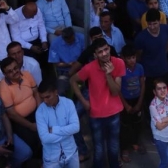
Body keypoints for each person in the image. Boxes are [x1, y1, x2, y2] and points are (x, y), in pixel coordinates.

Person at [70, 40, 124, 168]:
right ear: (95, 55)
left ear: (109, 48)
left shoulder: (118, 63)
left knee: (113, 147)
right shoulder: (89, 67)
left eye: (106, 49)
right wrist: (84, 101)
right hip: (96, 115)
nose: (104, 54)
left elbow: (115, 92)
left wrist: (108, 75)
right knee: (99, 150)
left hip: (114, 113)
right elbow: (72, 80)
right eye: (100, 52)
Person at [0, 58, 41, 158]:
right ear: (5, 74)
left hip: (36, 112)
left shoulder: (26, 74)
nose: (15, 72)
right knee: (33, 139)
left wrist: (41, 112)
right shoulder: (3, 89)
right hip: (19, 120)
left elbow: (36, 93)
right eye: (10, 71)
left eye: (15, 68)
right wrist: (30, 126)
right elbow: (12, 114)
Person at [35, 79, 79, 168]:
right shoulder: (40, 112)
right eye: (42, 98)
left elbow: (76, 127)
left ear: (55, 92)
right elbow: (45, 138)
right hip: (52, 160)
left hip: (71, 153)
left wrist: (54, 130)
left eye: (48, 97)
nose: (45, 101)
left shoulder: (68, 103)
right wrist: (68, 132)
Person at [117, 45, 145, 162]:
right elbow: (118, 89)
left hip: (137, 99)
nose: (132, 60)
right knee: (125, 126)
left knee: (137, 123)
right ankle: (124, 148)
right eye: (129, 58)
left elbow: (142, 84)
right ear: (123, 58)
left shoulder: (139, 67)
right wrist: (126, 105)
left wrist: (139, 102)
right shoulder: (121, 70)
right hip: (126, 101)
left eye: (133, 57)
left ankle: (135, 142)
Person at [149, 78, 168, 168]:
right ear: (154, 92)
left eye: (164, 87)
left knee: (167, 157)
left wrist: (163, 119)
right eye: (159, 89)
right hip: (161, 137)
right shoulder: (153, 106)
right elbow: (159, 127)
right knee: (165, 162)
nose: (162, 90)